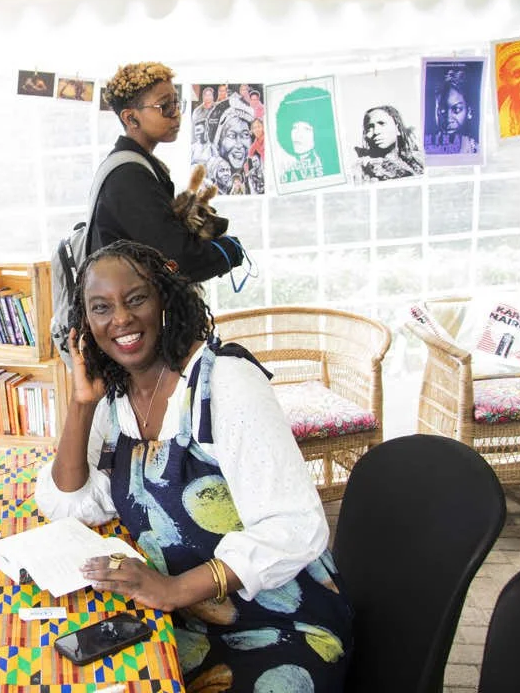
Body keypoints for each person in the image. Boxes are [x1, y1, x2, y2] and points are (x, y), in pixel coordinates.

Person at [36, 240, 352, 691]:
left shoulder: (225, 383)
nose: (120, 319)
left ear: (165, 299)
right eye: (101, 308)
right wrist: (82, 403)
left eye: (136, 299)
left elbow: (296, 526)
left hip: (280, 623)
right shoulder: (116, 400)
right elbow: (69, 502)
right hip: (183, 625)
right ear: (85, 324)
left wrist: (173, 590)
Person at [96, 62, 244, 283]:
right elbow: (178, 261)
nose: (176, 114)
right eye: (164, 106)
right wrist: (231, 249)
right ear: (130, 118)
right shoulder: (129, 176)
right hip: (128, 315)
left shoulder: (138, 166)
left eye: (176, 103)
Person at [274, 86, 341, 184]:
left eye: (307, 129)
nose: (298, 135)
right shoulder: (285, 169)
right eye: (295, 127)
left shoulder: (332, 166)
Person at [206, 98, 264, 196]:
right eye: (231, 136)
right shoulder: (210, 184)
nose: (239, 145)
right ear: (218, 142)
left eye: (245, 135)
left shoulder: (257, 174)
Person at [352, 105, 424, 182]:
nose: (376, 131)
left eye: (382, 123)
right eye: (370, 127)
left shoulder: (418, 159)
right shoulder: (363, 169)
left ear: (398, 129)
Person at [426, 69, 479, 155]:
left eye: (456, 110)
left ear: (469, 111)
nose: (448, 118)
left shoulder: (477, 150)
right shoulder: (427, 150)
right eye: (442, 110)